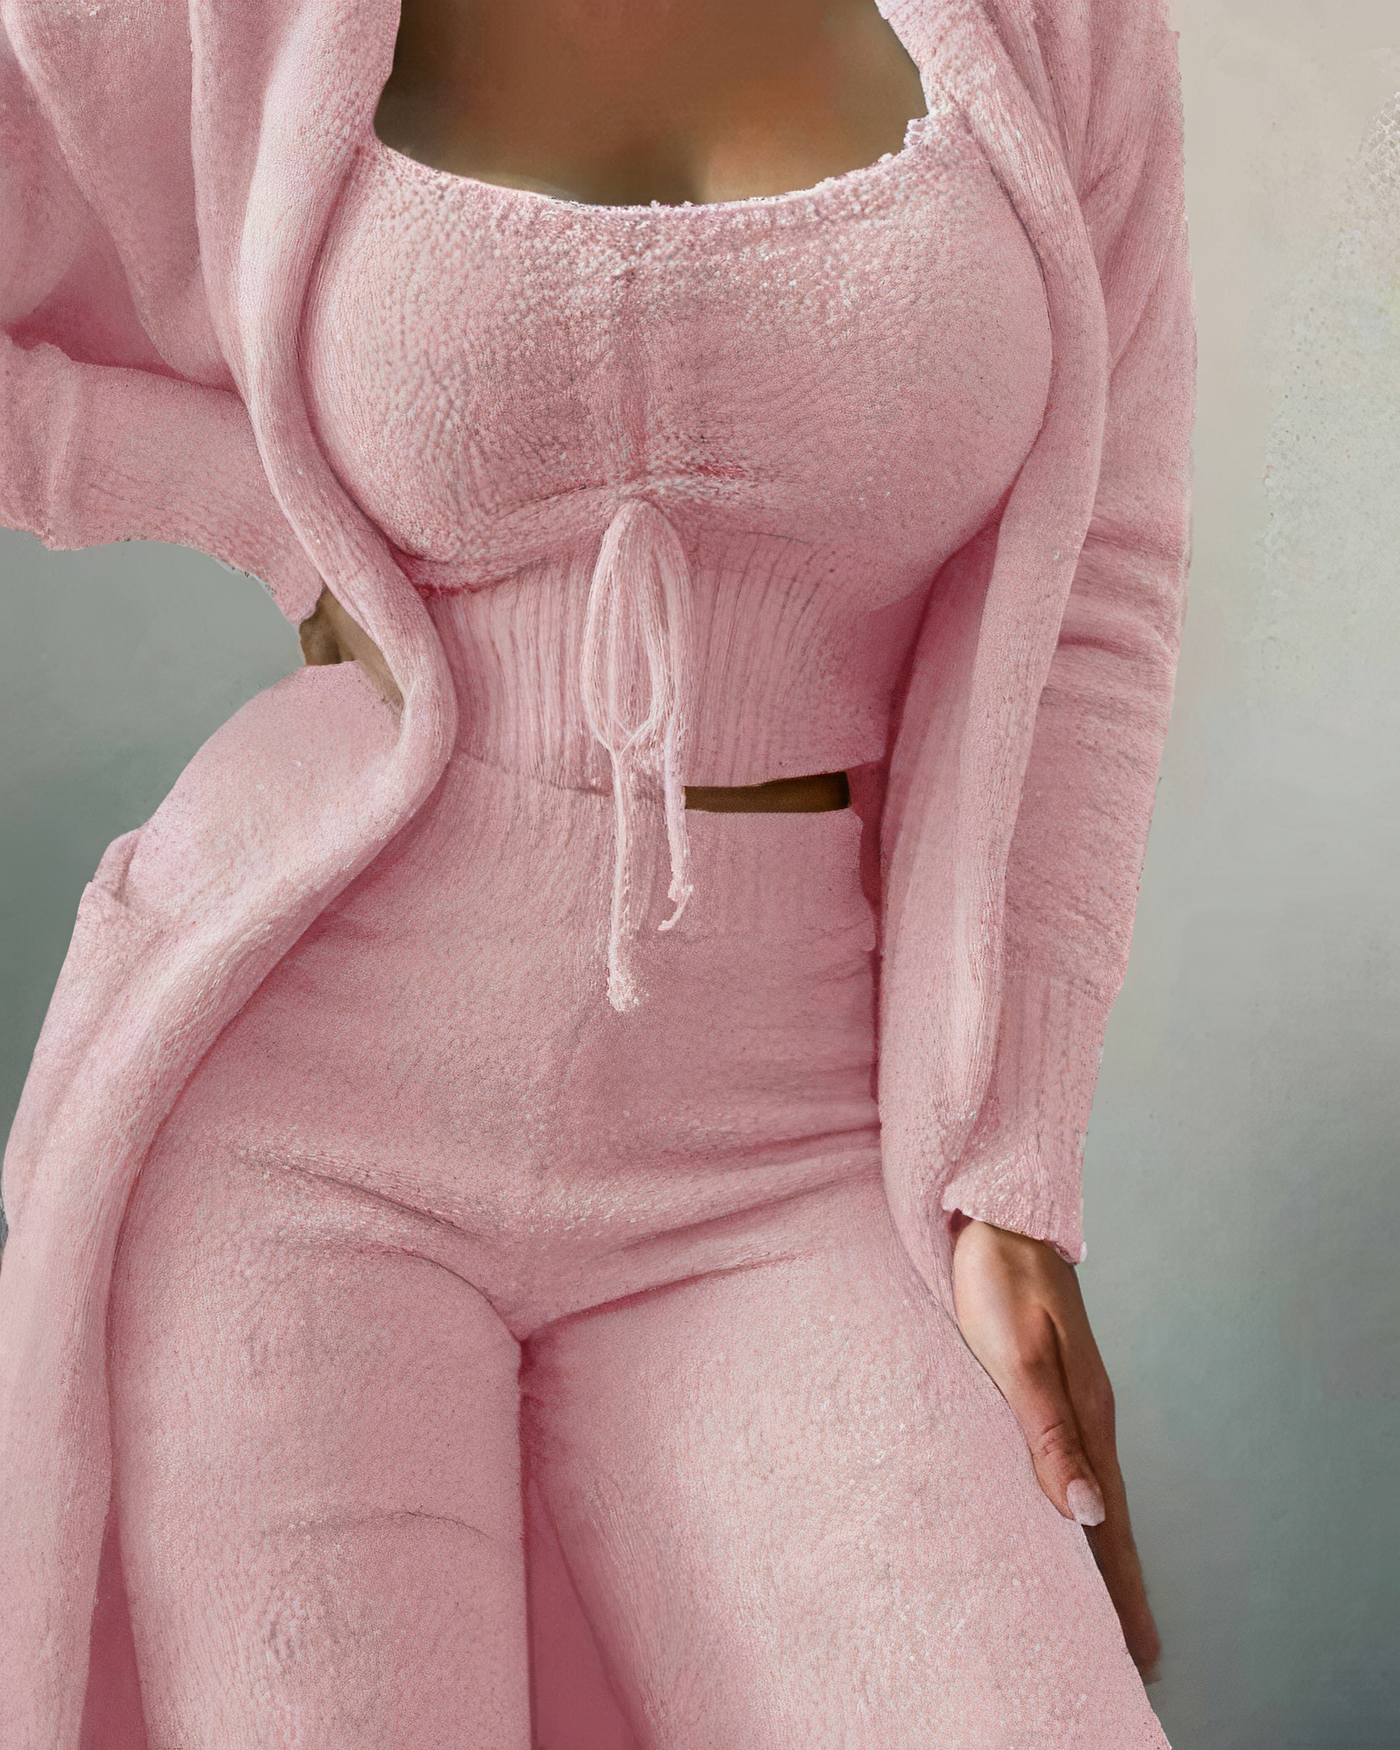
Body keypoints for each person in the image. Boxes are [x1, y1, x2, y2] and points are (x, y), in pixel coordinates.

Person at [0, 0, 1194, 1744]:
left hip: (790, 1134)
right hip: (302, 1138)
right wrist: (258, 508)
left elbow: (1103, 582)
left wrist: (1014, 1163)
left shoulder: (1062, 29)